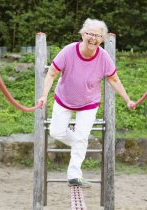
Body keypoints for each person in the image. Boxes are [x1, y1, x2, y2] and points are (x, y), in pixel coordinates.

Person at [38, 18, 135, 188]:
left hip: (89, 103)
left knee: (82, 136)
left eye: (98, 35)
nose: (93, 38)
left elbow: (114, 80)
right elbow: (52, 73)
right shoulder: (68, 51)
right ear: (82, 34)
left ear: (102, 39)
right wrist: (44, 96)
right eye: (90, 33)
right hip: (64, 99)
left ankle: (74, 176)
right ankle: (79, 142)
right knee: (56, 132)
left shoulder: (103, 57)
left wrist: (127, 100)